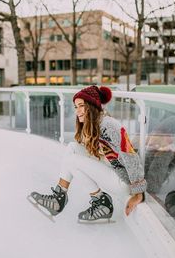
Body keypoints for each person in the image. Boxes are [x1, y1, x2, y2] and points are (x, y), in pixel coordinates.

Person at [30, 85, 147, 222]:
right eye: (76, 107)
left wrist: (138, 193)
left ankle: (101, 202)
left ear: (91, 106)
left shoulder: (109, 125)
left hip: (122, 181)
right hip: (112, 169)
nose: (77, 111)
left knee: (73, 161)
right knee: (72, 148)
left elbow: (130, 155)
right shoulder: (96, 123)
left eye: (81, 106)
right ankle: (59, 197)